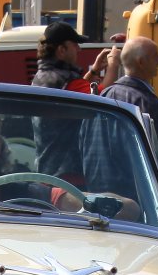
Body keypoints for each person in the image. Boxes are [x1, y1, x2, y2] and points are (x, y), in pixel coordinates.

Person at [30, 22, 115, 181]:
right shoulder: (66, 81)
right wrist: (113, 64)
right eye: (75, 44)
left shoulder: (42, 77)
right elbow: (103, 97)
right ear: (61, 50)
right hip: (68, 175)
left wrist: (94, 71)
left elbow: (76, 95)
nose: (78, 49)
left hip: (47, 169)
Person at [95, 37, 158, 173]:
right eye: (155, 56)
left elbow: (88, 143)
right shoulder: (146, 101)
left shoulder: (104, 95)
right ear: (141, 62)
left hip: (100, 181)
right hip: (135, 184)